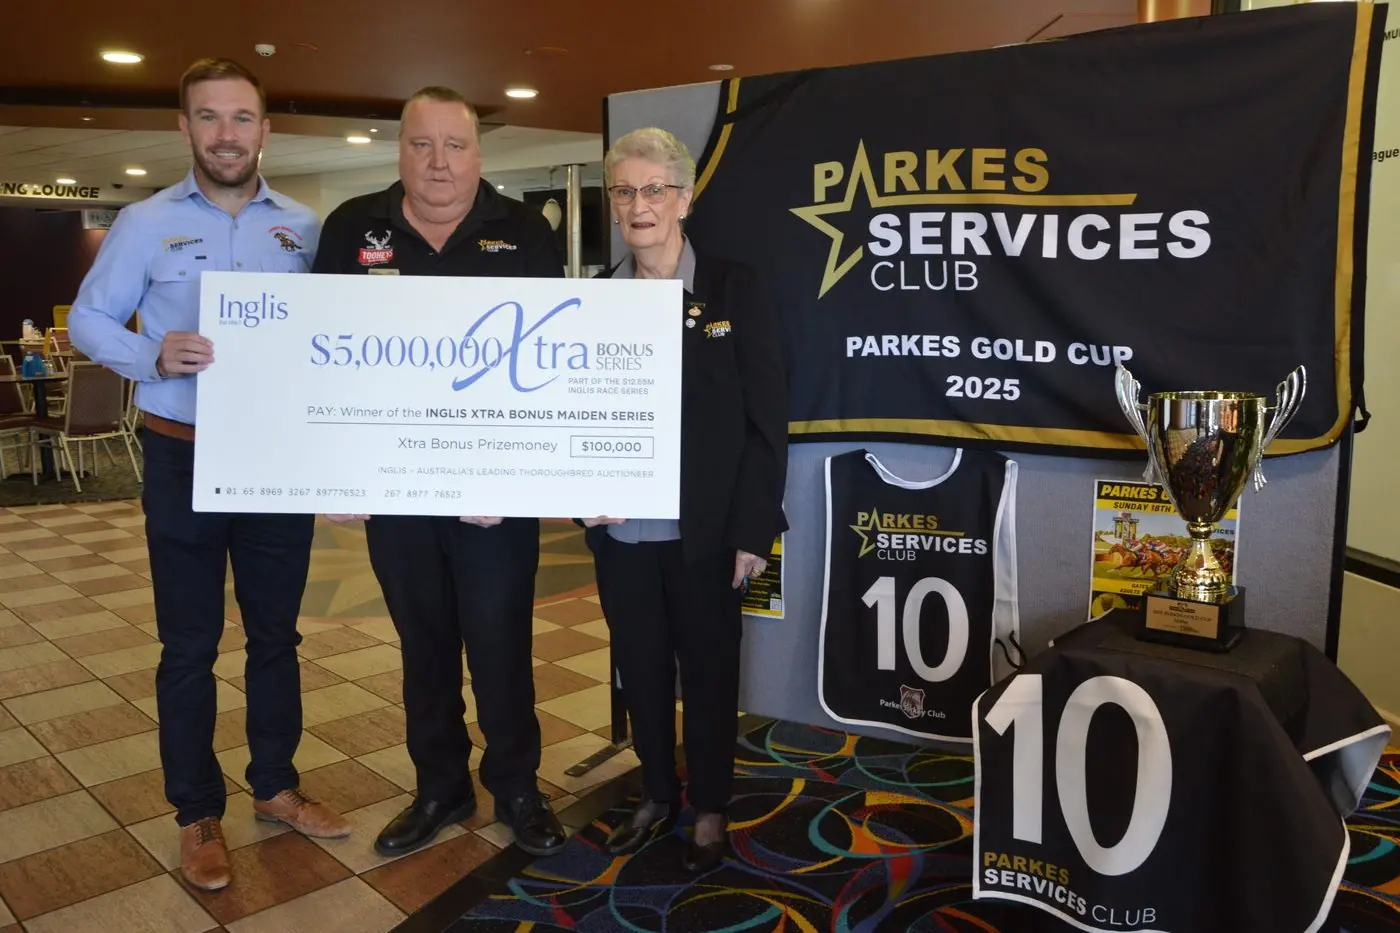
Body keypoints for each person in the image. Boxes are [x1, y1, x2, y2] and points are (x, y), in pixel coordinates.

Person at [67, 58, 351, 893]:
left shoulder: (303, 225)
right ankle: (197, 813)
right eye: (210, 118)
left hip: (273, 459)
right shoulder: (144, 222)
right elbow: (88, 315)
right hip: (181, 447)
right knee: (189, 645)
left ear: (266, 131)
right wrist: (148, 350)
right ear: (185, 128)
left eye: (242, 118)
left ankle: (275, 786)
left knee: (277, 635)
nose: (227, 133)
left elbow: (331, 338)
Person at [314, 86, 568, 858]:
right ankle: (440, 788)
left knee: (499, 644)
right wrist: (337, 470)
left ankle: (517, 787)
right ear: (399, 149)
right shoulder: (353, 228)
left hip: (494, 493)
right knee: (422, 646)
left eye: (454, 145)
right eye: (422, 144)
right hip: (394, 488)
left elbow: (547, 361)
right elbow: (320, 356)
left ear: (478, 154)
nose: (438, 162)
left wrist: (515, 474)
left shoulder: (523, 231)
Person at [582, 127, 788, 872]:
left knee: (707, 672)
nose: (640, 205)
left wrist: (752, 531)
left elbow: (768, 422)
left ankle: (709, 806)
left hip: (709, 536)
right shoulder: (595, 299)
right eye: (626, 191)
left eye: (654, 189)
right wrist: (583, 501)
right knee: (638, 670)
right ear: (614, 204)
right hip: (625, 535)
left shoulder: (736, 288)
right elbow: (574, 419)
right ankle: (655, 794)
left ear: (685, 198)